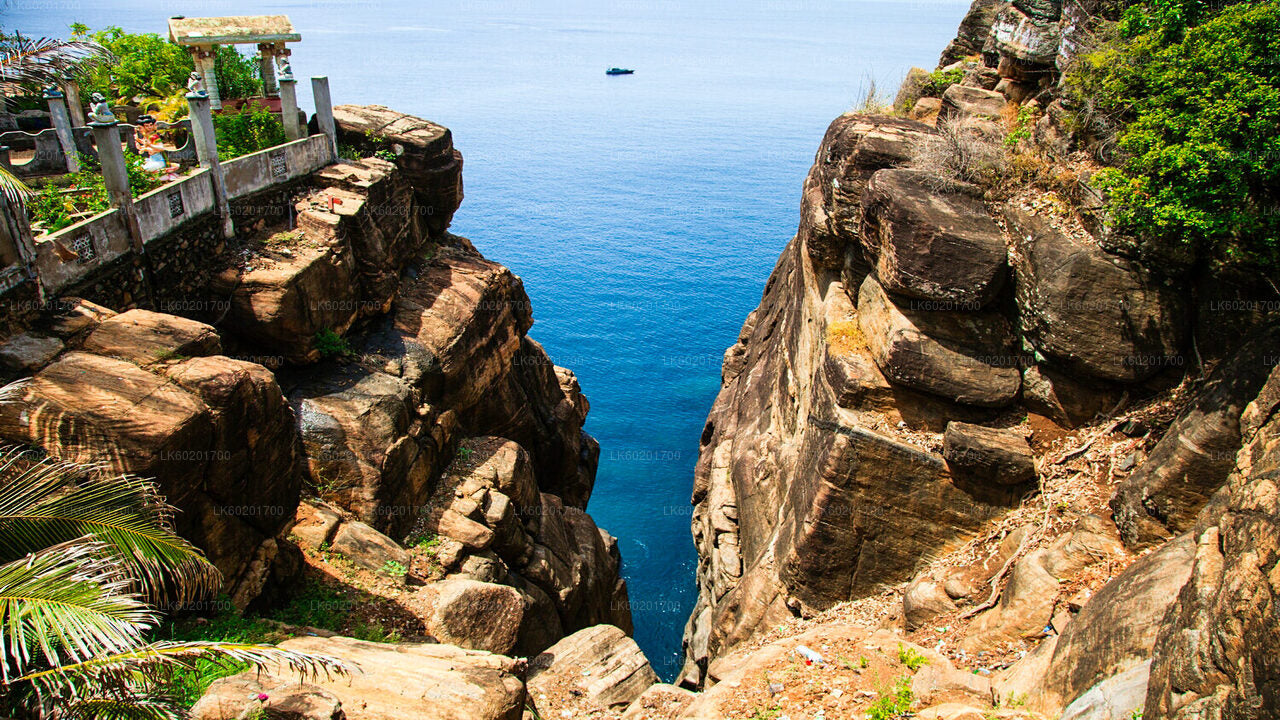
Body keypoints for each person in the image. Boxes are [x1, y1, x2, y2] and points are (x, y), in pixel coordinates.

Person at [135, 115, 180, 180]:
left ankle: (164, 177)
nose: (149, 127)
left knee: (144, 169)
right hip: (152, 159)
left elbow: (161, 148)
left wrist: (148, 146)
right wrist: (141, 145)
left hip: (159, 160)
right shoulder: (148, 136)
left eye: (150, 125)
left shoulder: (154, 136)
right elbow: (147, 147)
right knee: (136, 164)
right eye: (147, 126)